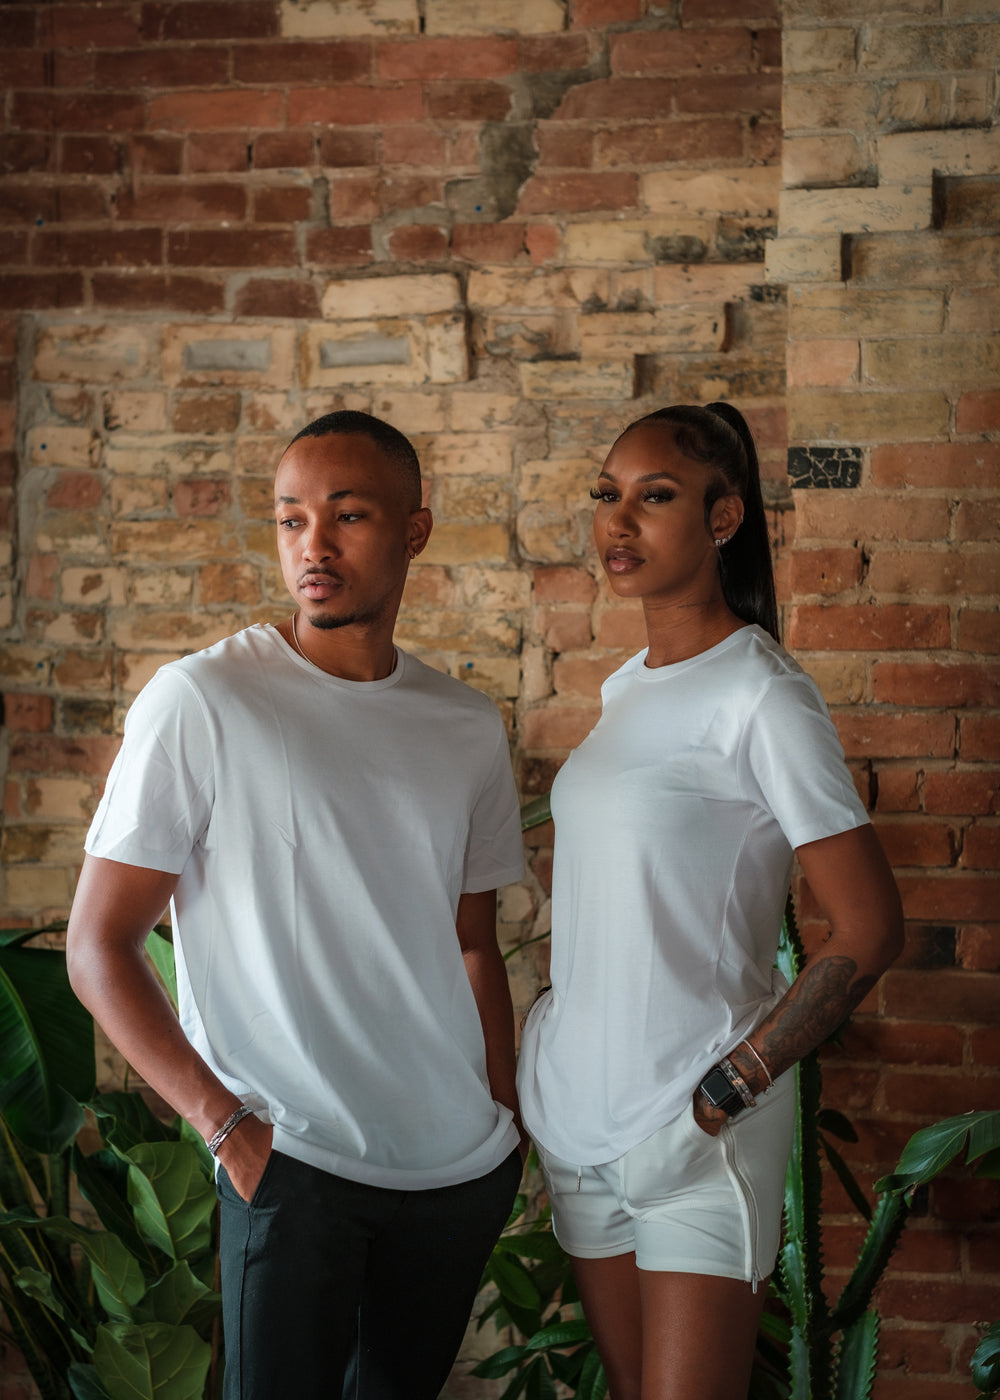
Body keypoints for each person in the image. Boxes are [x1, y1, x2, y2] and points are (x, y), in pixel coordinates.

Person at [66, 410, 527, 1400]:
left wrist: (503, 1120)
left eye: (347, 515)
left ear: (413, 530)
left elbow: (472, 943)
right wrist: (225, 1123)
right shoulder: (203, 701)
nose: (312, 544)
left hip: (453, 1169)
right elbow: (98, 945)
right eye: (290, 519)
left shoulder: (463, 724)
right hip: (292, 1157)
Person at [516, 403, 904, 1400]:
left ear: (722, 517)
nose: (618, 522)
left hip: (692, 1124)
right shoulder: (622, 692)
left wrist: (728, 1088)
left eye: (654, 497)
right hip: (576, 1116)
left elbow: (867, 928)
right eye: (607, 495)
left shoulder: (764, 694)